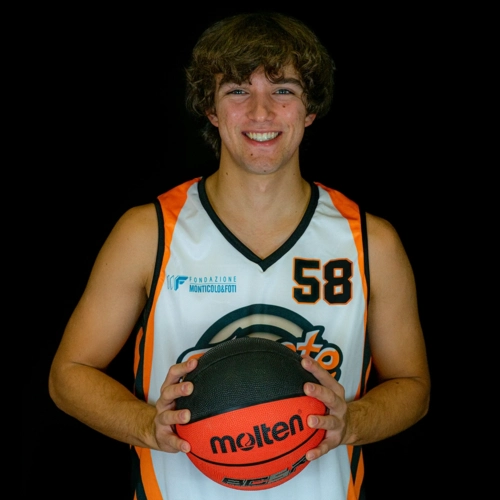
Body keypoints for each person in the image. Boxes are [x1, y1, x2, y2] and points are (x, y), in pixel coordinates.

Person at [49, 12, 430, 500]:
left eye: (283, 90)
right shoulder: (149, 232)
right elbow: (68, 374)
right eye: (237, 91)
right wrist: (146, 425)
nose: (261, 112)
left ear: (310, 108)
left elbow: (413, 386)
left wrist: (352, 421)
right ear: (210, 108)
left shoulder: (370, 242)